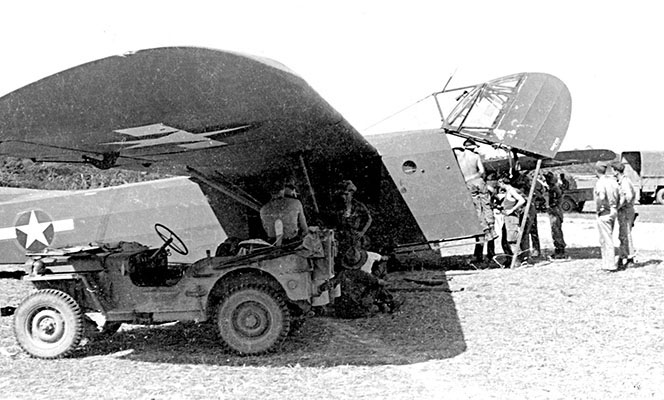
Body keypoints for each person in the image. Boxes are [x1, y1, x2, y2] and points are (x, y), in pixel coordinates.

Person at [455, 138, 497, 264]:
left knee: (477, 209)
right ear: (473, 147)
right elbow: (482, 171)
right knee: (486, 206)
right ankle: (490, 230)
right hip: (477, 180)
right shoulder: (476, 156)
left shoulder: (459, 155)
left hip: (467, 182)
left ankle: (482, 235)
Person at [330, 180, 373, 269]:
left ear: (351, 194)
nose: (344, 197)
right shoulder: (338, 207)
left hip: (355, 238)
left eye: (346, 194)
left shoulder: (358, 206)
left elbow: (369, 219)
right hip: (342, 237)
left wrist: (362, 232)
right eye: (342, 194)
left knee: (356, 259)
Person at [259, 179, 308, 246]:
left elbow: (266, 230)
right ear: (283, 189)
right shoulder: (296, 203)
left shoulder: (263, 210)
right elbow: (305, 229)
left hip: (272, 245)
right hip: (293, 243)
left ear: (269, 192)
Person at [593, 161, 620, 270]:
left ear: (596, 170)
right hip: (613, 210)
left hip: (604, 212)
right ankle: (606, 264)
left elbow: (602, 197)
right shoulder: (612, 182)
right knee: (607, 237)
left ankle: (610, 264)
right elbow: (620, 196)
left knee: (606, 239)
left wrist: (599, 208)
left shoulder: (600, 182)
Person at [611, 160, 637, 269]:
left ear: (616, 171)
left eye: (613, 169)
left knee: (626, 234)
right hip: (626, 210)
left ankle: (630, 258)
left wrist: (619, 206)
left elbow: (629, 196)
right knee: (623, 234)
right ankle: (624, 256)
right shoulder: (623, 180)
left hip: (625, 211)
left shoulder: (624, 182)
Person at [496, 175, 526, 267]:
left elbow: (522, 200)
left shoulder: (512, 191)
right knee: (506, 240)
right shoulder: (508, 191)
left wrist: (512, 210)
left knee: (512, 240)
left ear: (502, 182)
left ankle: (518, 262)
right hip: (507, 218)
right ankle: (512, 260)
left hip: (512, 218)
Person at [544, 171, 567, 259]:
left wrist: (550, 206)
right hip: (554, 210)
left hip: (555, 211)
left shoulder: (554, 189)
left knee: (556, 230)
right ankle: (559, 249)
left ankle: (560, 251)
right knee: (555, 230)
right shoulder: (552, 188)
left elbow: (557, 200)